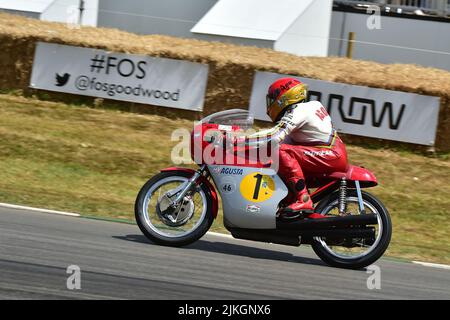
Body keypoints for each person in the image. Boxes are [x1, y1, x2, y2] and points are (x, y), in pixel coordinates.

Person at [241, 78, 348, 216]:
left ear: (283, 98)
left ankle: (303, 199)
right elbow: (281, 139)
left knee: (282, 151)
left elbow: (275, 136)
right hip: (331, 153)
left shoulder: (299, 110)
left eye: (273, 99)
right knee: (279, 153)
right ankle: (289, 199)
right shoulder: (310, 107)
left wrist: (242, 140)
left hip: (330, 154)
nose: (270, 104)